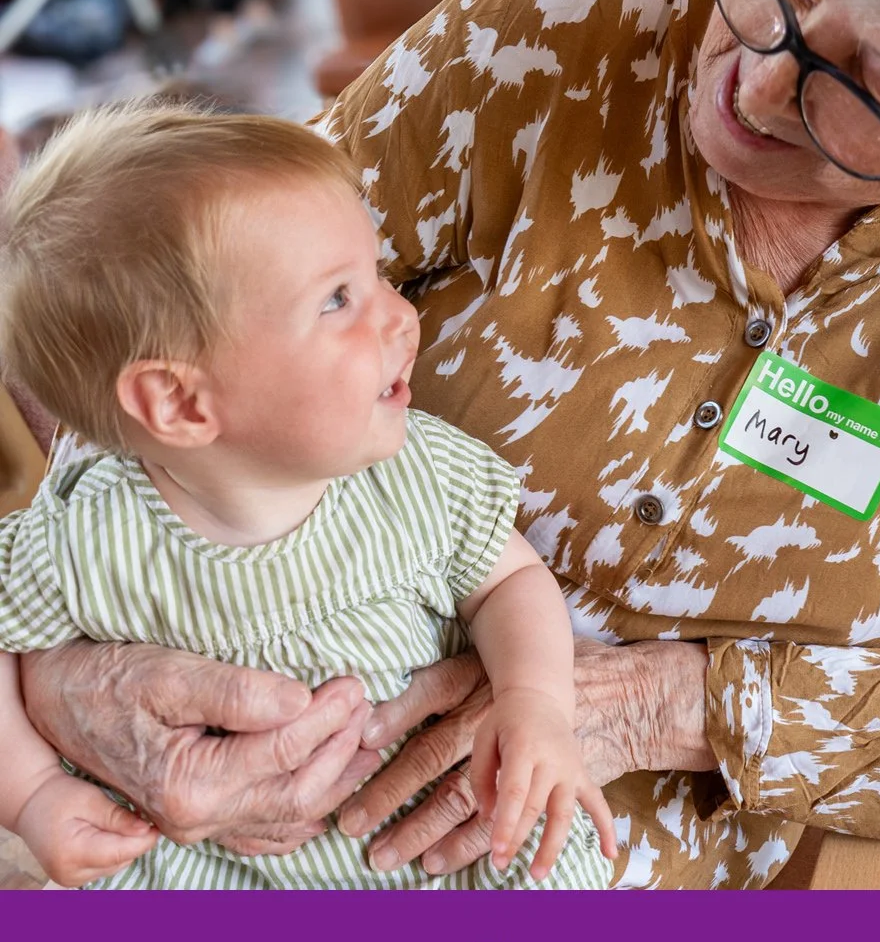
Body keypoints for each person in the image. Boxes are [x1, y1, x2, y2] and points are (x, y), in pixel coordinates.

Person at [16, 0, 880, 891]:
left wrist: (649, 703)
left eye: (873, 89)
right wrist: (79, 674)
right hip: (262, 814)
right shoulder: (556, 21)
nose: (755, 81)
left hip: (695, 873)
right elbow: (159, 304)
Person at [0, 105, 613, 891]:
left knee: (554, 877)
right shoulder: (87, 537)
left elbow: (510, 582)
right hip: (223, 875)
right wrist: (33, 796)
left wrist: (534, 703)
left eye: (378, 277)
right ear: (180, 404)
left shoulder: (414, 474)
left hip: (439, 854)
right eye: (337, 300)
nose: (402, 315)